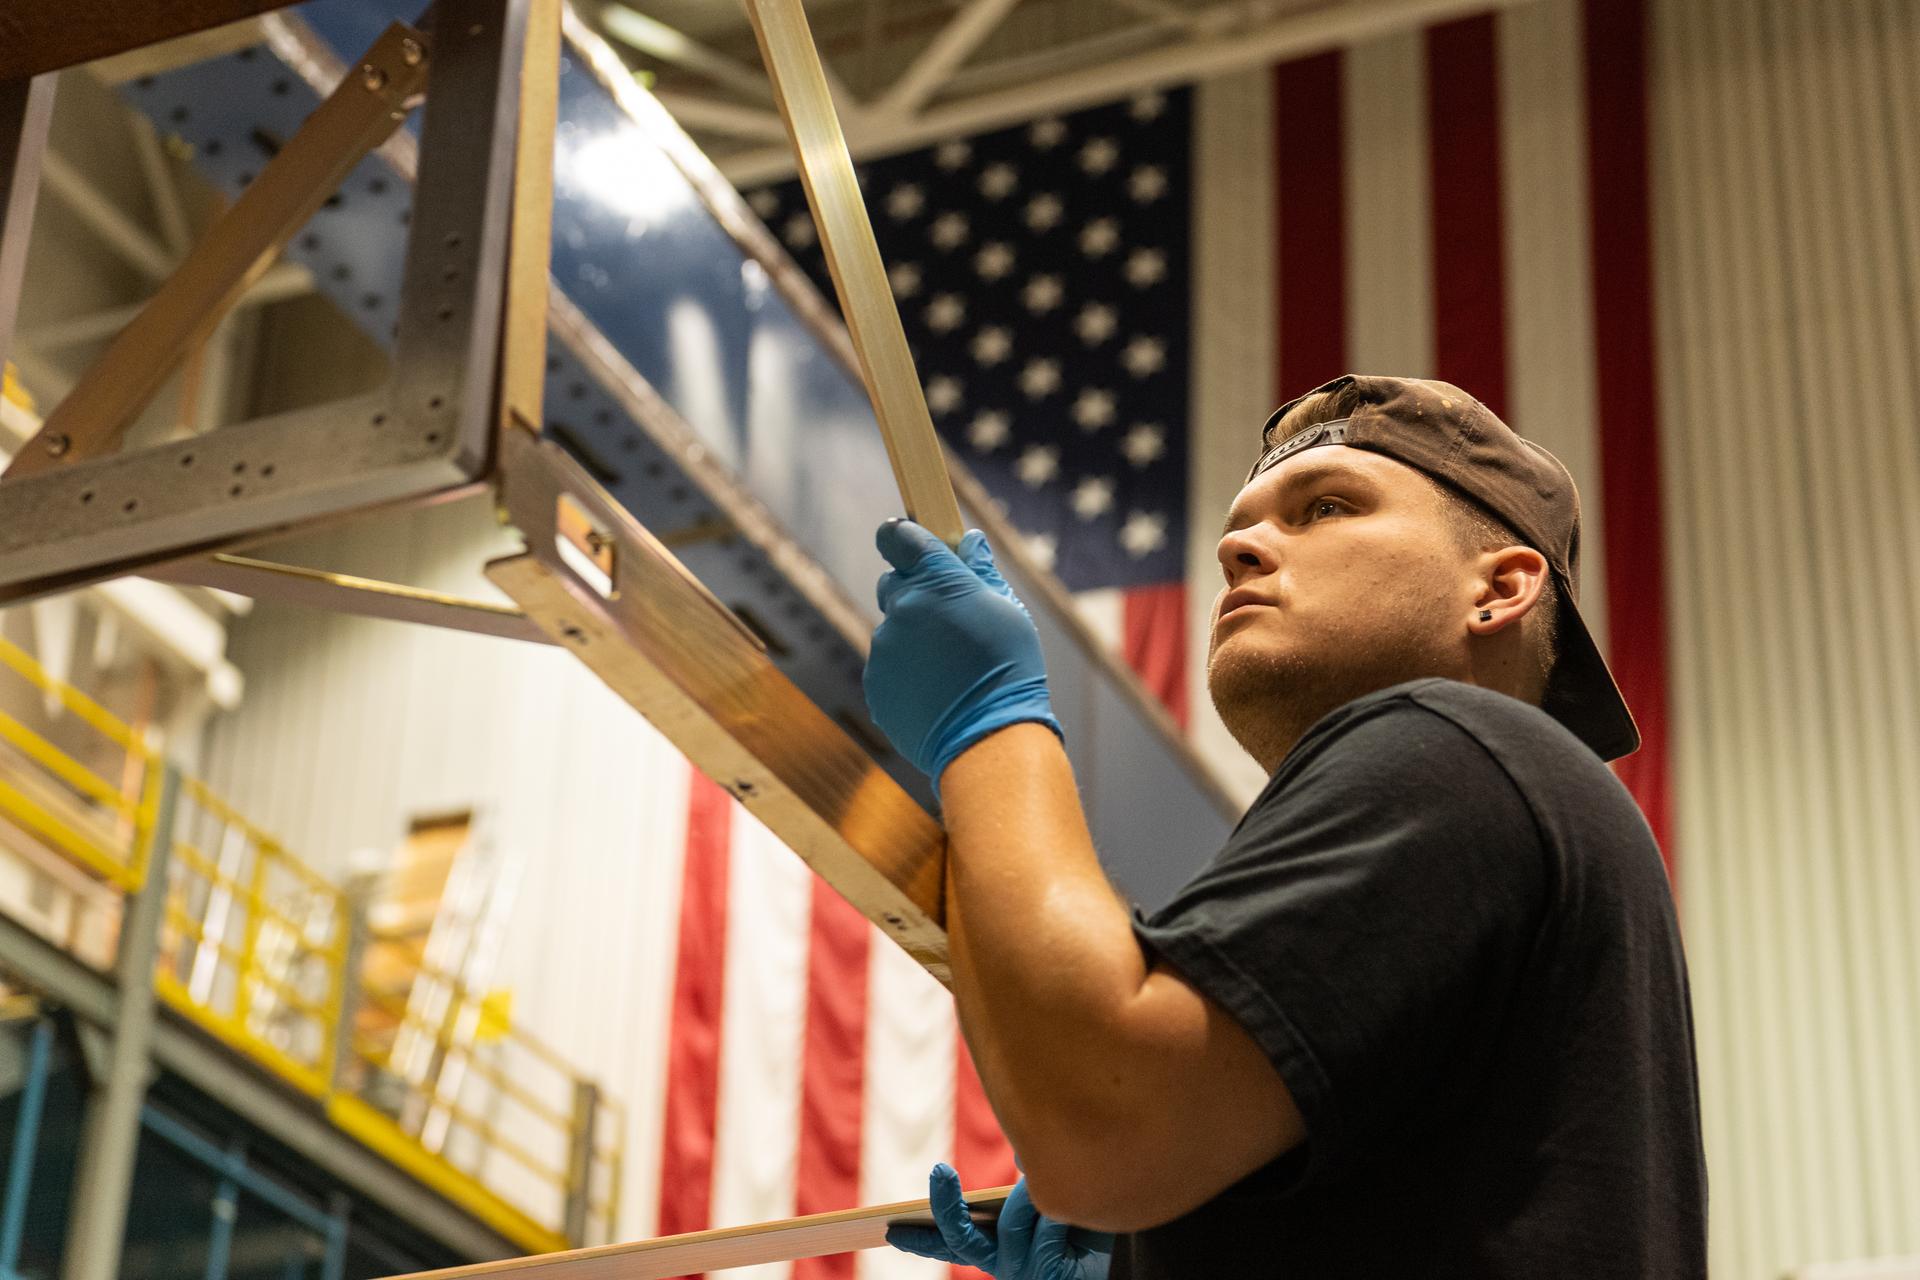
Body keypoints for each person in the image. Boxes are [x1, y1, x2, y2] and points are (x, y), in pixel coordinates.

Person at [861, 375, 1707, 1278]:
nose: (1239, 548)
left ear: (1499, 587)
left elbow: (1102, 1128)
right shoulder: (1502, 806)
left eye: (1326, 507)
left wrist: (987, 724)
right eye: (1242, 526)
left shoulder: (1455, 746)